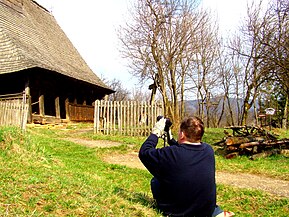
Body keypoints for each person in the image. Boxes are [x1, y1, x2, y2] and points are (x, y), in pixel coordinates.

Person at [139, 116, 234, 217]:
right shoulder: (208, 150)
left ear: (182, 134)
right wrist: (170, 138)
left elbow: (144, 152)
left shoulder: (171, 154)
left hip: (179, 212)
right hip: (206, 211)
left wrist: (156, 132)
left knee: (156, 181)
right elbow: (185, 151)